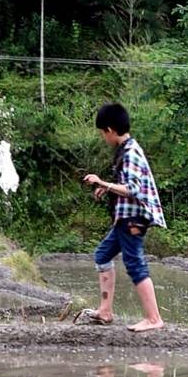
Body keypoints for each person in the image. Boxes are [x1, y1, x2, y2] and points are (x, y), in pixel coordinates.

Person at [79, 102, 166, 332]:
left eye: (102, 133)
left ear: (110, 130)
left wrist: (103, 183)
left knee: (135, 264)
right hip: (123, 218)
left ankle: (154, 318)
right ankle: (105, 312)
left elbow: (133, 189)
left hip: (133, 219)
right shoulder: (125, 151)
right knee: (102, 255)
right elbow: (123, 186)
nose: (102, 137)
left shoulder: (131, 153)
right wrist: (106, 188)